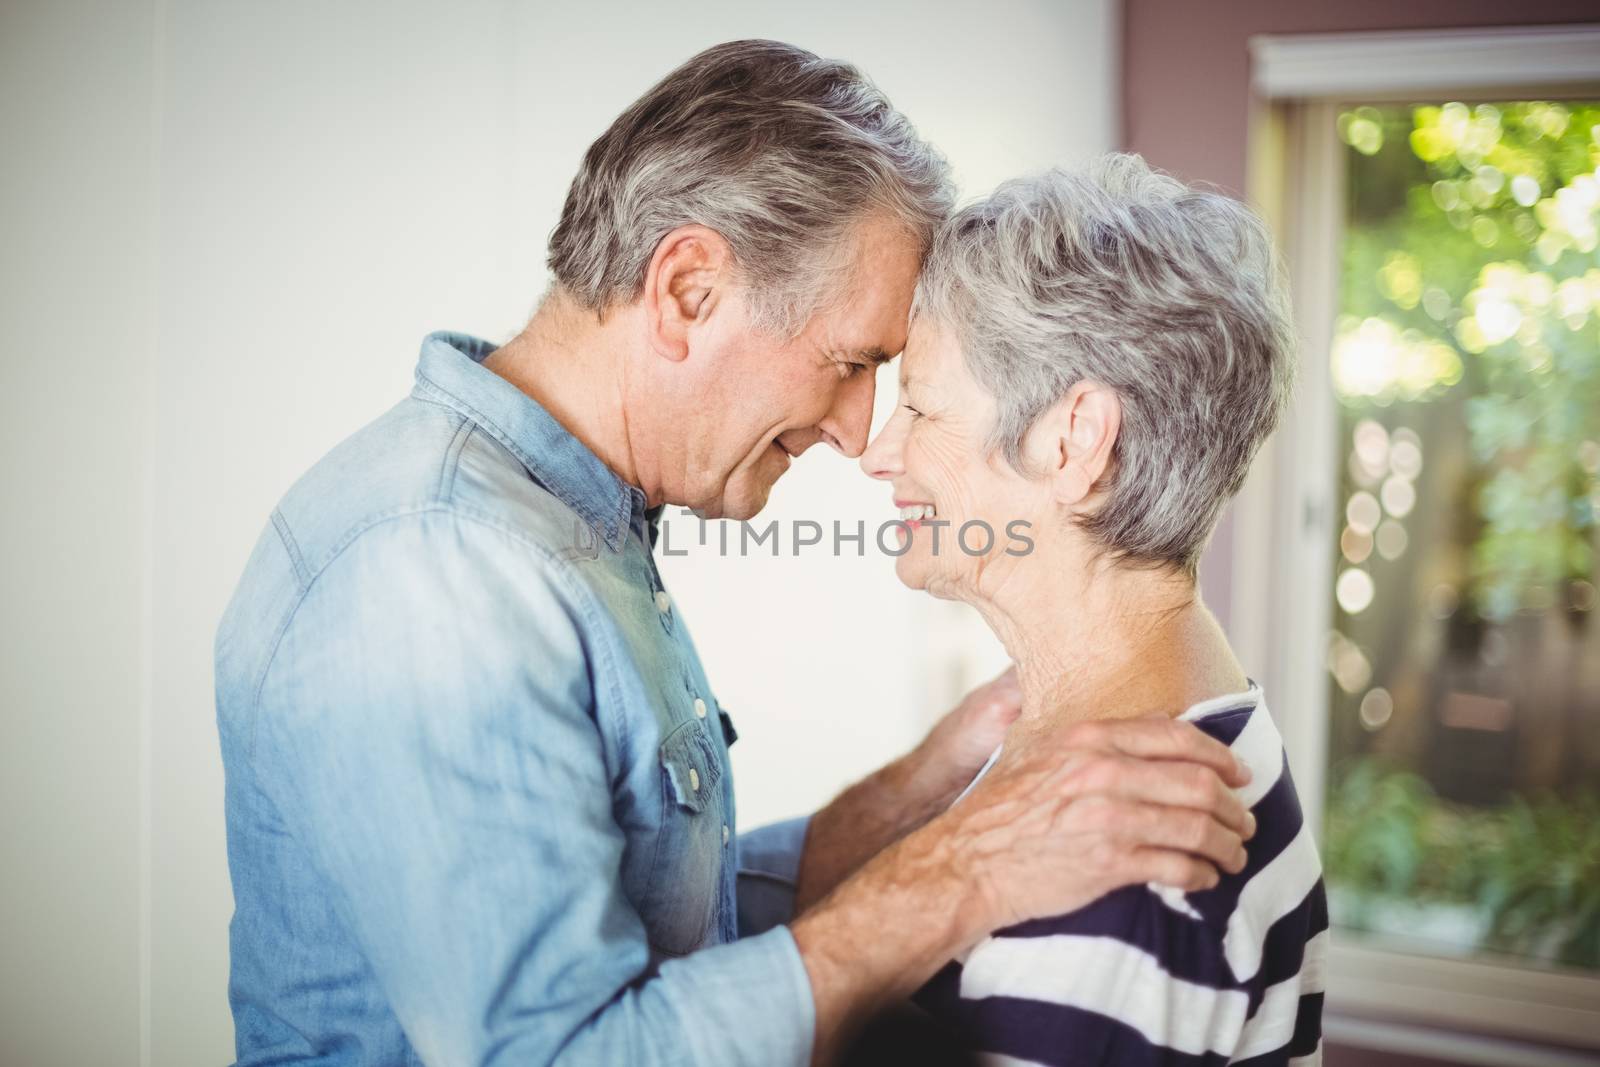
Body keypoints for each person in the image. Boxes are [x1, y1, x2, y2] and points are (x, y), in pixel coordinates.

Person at [214, 42, 1258, 1067]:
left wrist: (923, 787)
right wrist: (961, 870)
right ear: (688, 290)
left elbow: (668, 917)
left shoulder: (559, 528)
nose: (859, 432)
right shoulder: (436, 568)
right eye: (851, 362)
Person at [858, 155, 1325, 1065]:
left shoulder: (1126, 858)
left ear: (1075, 440)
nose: (879, 452)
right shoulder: (1142, 741)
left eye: (919, 408)